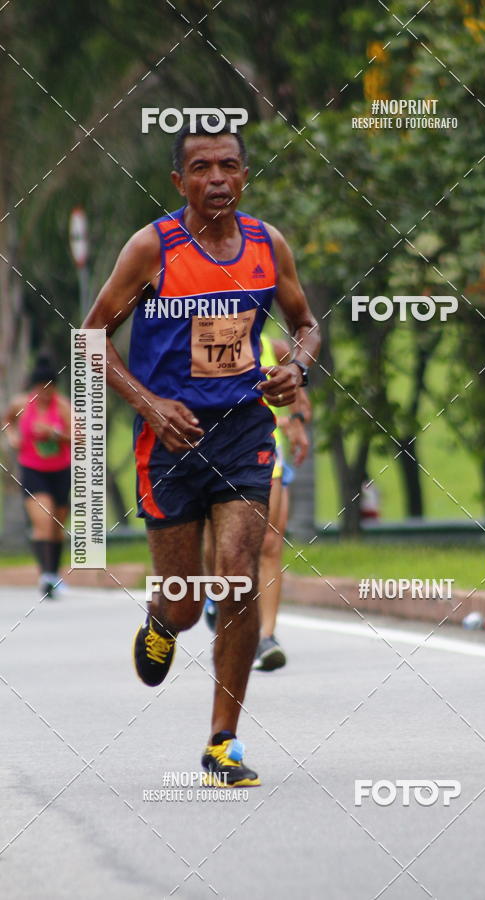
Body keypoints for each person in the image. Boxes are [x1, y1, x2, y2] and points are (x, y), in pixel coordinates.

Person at [83, 120, 320, 787]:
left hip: (244, 428)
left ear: (245, 174)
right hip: (170, 440)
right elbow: (92, 336)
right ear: (178, 181)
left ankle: (223, 743)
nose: (218, 178)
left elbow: (305, 323)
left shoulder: (266, 246)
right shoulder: (150, 250)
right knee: (187, 602)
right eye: (203, 167)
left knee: (239, 576)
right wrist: (150, 405)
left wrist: (297, 366)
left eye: (231, 166)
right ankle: (163, 619)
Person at [203, 334, 312, 674]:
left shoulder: (273, 348)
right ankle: (216, 598)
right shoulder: (196, 341)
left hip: (264, 453)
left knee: (268, 543)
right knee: (218, 546)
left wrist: (295, 423)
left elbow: (300, 402)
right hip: (212, 453)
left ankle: (266, 636)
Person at [3, 355, 71, 599]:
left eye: (48, 388)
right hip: (33, 470)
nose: (44, 393)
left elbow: (78, 438)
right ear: (32, 388)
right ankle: (45, 576)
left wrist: (54, 434)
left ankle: (53, 573)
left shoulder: (63, 407)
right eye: (39, 388)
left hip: (61, 470)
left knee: (57, 526)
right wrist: (11, 436)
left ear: (54, 388)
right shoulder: (21, 403)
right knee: (43, 521)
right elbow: (7, 422)